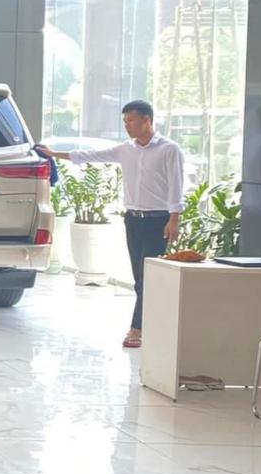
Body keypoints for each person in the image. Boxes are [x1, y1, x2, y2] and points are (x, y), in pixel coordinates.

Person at [38, 100, 185, 350]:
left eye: (131, 120)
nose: (127, 125)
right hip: (133, 220)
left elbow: (176, 186)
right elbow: (90, 156)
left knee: (148, 277)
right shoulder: (126, 149)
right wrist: (53, 154)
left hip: (158, 221)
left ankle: (137, 329)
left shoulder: (169, 149)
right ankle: (151, 325)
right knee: (139, 279)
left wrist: (174, 220)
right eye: (125, 121)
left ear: (147, 120)